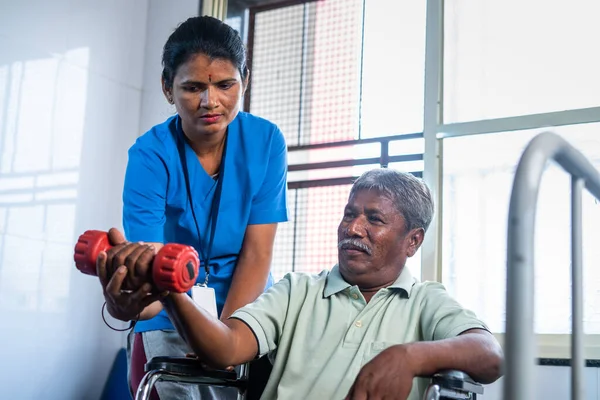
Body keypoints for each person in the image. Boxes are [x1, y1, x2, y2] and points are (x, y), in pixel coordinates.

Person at [99, 169, 503, 400]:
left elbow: (490, 355)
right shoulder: (298, 290)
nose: (352, 228)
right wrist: (169, 292)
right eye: (349, 214)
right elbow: (225, 349)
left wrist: (408, 357)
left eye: (374, 220)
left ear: (412, 240)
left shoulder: (424, 301)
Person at [99, 16, 288, 399]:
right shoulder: (149, 157)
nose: (210, 102)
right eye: (192, 87)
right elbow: (149, 275)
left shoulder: (266, 141)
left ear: (245, 81)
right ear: (168, 88)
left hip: (246, 310)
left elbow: (257, 253)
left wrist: (228, 336)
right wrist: (129, 302)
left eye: (225, 85)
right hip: (171, 311)